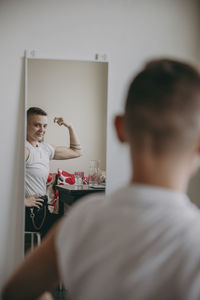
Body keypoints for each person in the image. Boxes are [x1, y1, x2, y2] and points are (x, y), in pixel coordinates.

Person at [2, 58, 200, 300]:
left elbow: (15, 292)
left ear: (120, 128)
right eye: (37, 125)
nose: (42, 129)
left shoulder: (80, 221)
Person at [25, 107, 82, 235]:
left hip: (43, 210)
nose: (42, 130)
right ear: (25, 125)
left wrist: (70, 127)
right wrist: (22, 201)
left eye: (45, 126)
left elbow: (77, 151)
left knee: (76, 225)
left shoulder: (45, 149)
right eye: (37, 125)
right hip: (30, 214)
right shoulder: (24, 149)